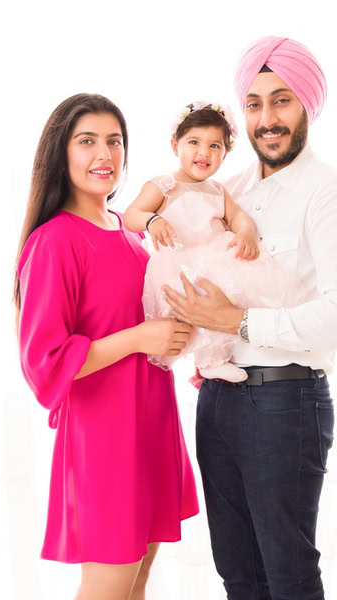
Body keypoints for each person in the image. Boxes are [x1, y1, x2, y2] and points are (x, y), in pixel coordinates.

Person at [164, 37, 337, 600]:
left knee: (290, 576)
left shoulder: (333, 195)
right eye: (253, 103)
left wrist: (241, 325)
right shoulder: (233, 192)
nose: (265, 117)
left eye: (280, 99)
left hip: (285, 399)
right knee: (237, 567)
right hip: (218, 396)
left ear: (307, 103)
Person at [0, 93, 200, 600]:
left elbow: (142, 317)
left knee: (135, 577)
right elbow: (44, 359)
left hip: (149, 417)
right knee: (105, 585)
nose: (105, 156)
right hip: (103, 432)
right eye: (87, 142)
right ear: (60, 154)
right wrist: (139, 338)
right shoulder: (54, 240)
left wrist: (174, 332)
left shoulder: (127, 232)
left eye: (114, 141)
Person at [124, 101, 306, 386]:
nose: (203, 152)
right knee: (191, 311)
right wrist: (152, 221)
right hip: (179, 262)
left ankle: (217, 357)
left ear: (225, 152)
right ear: (175, 146)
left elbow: (238, 217)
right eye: (194, 142)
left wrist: (245, 233)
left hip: (213, 259)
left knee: (231, 300)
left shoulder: (218, 189)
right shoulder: (163, 185)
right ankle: (208, 362)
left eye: (215, 146)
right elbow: (131, 216)